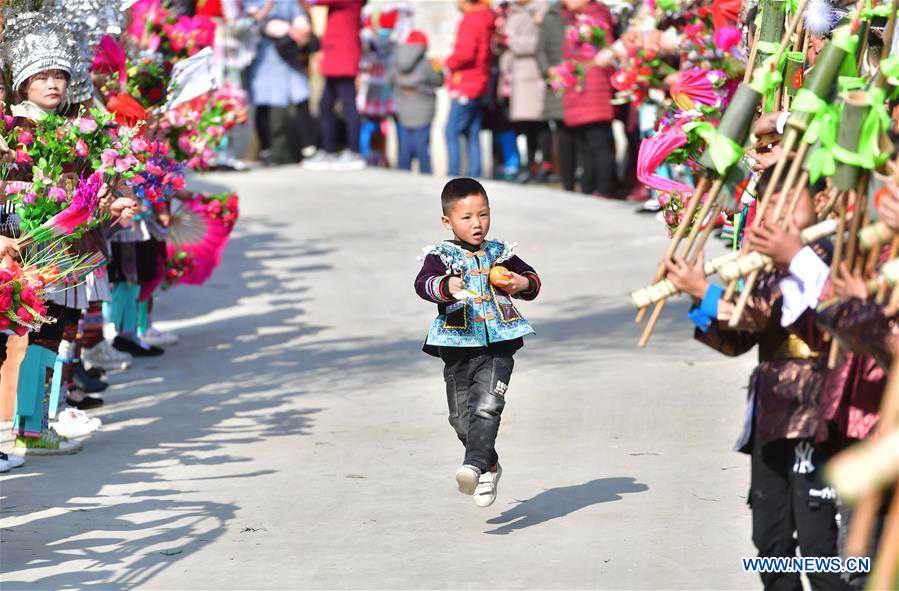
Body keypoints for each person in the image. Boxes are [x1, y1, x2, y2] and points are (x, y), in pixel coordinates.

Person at [665, 178, 845, 591]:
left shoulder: (829, 258)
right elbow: (740, 337)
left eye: (788, 203)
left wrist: (707, 294)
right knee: (770, 536)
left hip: (818, 414)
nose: (777, 215)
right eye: (769, 205)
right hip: (770, 413)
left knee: (820, 539)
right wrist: (700, 299)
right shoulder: (764, 265)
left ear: (821, 201)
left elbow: (764, 313)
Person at [414, 177, 541, 507]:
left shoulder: (500, 254)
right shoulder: (442, 257)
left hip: (499, 345)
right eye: (466, 217)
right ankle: (489, 464)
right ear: (448, 221)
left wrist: (520, 281)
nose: (476, 224)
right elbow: (423, 283)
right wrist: (446, 285)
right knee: (460, 418)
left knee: (488, 405)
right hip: (457, 347)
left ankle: (472, 466)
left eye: (483, 215)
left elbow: (533, 281)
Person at [244, 0, 315, 165]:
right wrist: (271, 11)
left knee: (300, 96)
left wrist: (302, 30)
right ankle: (267, 150)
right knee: (263, 103)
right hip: (263, 58)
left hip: (289, 57)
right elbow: (253, 21)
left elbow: (300, 19)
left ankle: (308, 148)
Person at [560, 0, 617, 198]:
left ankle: (603, 188)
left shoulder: (596, 18)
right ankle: (588, 187)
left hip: (593, 87)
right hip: (577, 88)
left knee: (598, 141)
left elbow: (606, 53)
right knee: (583, 143)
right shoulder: (572, 20)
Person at [302, 0, 366, 171]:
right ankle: (328, 149)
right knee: (325, 105)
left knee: (348, 105)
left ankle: (354, 151)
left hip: (343, 56)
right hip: (335, 56)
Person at [444, 0, 495, 178]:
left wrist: (447, 62)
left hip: (466, 83)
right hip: (480, 82)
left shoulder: (470, 20)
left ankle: (453, 174)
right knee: (472, 131)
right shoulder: (486, 17)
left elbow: (465, 53)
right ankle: (475, 173)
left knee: (451, 131)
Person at [503, 0, 553, 183]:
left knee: (540, 121)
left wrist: (512, 42)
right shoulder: (513, 12)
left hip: (534, 72)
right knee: (525, 125)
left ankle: (546, 164)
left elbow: (540, 41)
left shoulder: (542, 10)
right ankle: (530, 164)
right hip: (517, 75)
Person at [392, 30, 443, 173]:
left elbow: (390, 80)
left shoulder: (396, 60)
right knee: (423, 148)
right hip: (424, 109)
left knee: (404, 148)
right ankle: (426, 179)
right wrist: (439, 69)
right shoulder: (427, 63)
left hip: (402, 108)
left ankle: (402, 178)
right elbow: (438, 81)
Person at [536, 0, 571, 188]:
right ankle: (567, 179)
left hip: (580, 80)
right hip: (557, 82)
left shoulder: (586, 14)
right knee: (562, 131)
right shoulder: (550, 16)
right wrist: (548, 70)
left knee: (583, 134)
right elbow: (539, 50)